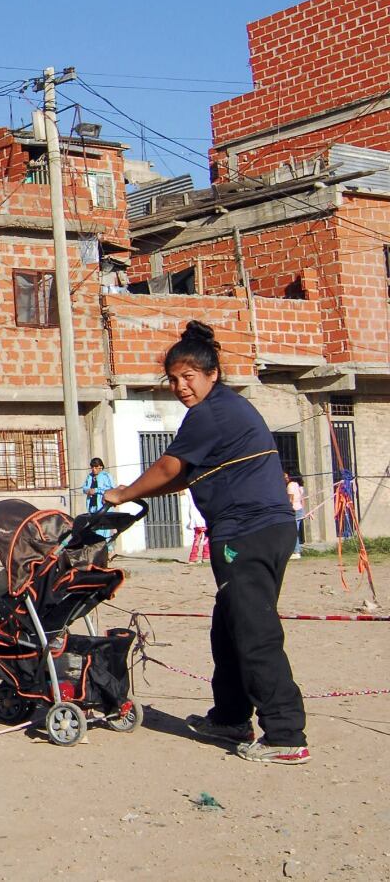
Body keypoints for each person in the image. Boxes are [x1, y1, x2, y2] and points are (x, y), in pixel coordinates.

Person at [104, 321, 308, 764]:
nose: (181, 387)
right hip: (264, 529)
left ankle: (285, 734)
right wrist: (132, 495)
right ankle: (231, 716)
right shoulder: (225, 410)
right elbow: (180, 478)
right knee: (228, 625)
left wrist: (122, 493)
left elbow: (168, 466)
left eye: (188, 377)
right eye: (173, 379)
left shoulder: (210, 413)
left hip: (247, 532)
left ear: (211, 374)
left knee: (253, 631)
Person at [286, 474, 306, 559]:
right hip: (299, 509)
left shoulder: (290, 485)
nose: (284, 478)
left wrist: (287, 509)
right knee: (294, 531)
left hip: (294, 510)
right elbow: (302, 499)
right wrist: (303, 511)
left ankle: (296, 551)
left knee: (293, 532)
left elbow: (290, 500)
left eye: (286, 476)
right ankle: (295, 551)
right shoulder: (297, 485)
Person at [186, 498, 209, 564]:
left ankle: (192, 558)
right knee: (207, 539)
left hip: (196, 523)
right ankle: (205, 556)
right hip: (204, 521)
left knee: (197, 540)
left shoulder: (192, 496)